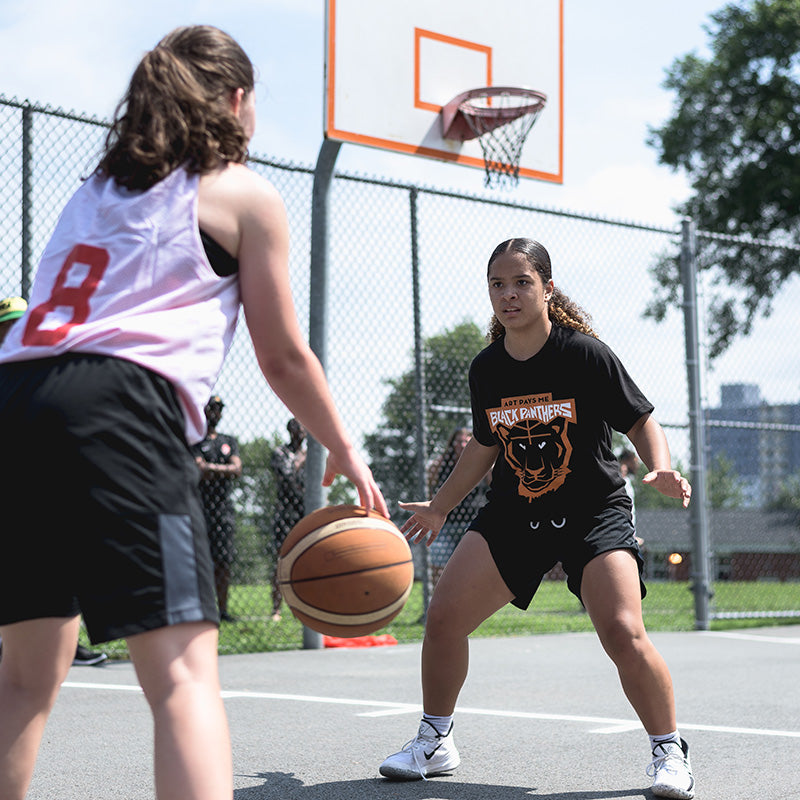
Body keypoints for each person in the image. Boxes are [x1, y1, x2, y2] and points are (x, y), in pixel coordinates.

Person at [0, 25, 386, 800]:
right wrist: (343, 445)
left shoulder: (94, 190)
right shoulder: (241, 190)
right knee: (180, 676)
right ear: (237, 102)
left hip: (16, 398)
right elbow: (281, 357)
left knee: (22, 676)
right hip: (119, 405)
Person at [379, 238, 694, 800]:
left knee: (623, 631)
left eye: (520, 282)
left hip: (593, 512)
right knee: (445, 617)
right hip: (514, 513)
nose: (508, 295)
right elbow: (483, 444)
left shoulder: (584, 355)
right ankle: (436, 739)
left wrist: (661, 467)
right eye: (497, 285)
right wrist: (440, 505)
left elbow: (640, 419)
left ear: (547, 288)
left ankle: (668, 750)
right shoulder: (487, 369)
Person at [0, 296, 108, 668]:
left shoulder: (50, 370)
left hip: (42, 488)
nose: (14, 331)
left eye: (20, 323)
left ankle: (68, 644)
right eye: (6, 326)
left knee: (64, 557)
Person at [193, 395, 242, 622]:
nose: (215, 413)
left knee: (223, 560)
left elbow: (236, 469)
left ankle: (222, 610)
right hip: (198, 506)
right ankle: (199, 608)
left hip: (223, 509)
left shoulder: (228, 440)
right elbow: (197, 470)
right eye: (211, 409)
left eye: (218, 409)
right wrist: (222, 469)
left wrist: (211, 468)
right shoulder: (194, 440)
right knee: (196, 559)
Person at [426, 427, 490, 587]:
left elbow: (493, 484)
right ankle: (437, 602)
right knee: (438, 567)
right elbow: (428, 485)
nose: (461, 444)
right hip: (445, 523)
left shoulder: (482, 463)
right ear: (452, 444)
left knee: (471, 568)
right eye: (458, 441)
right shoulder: (441, 464)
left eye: (465, 441)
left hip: (472, 524)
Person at [269, 417, 306, 619]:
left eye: (302, 429)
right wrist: (301, 463)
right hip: (285, 511)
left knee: (307, 558)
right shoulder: (281, 453)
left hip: (305, 511)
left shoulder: (312, 455)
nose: (299, 433)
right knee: (281, 558)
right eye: (296, 429)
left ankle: (302, 605)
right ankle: (276, 608)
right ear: (289, 430)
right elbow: (287, 479)